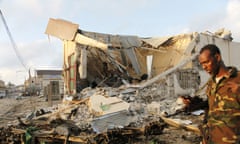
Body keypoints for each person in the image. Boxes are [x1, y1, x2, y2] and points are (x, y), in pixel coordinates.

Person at [198, 44, 240, 144]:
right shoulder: (211, 83)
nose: (204, 67)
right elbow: (210, 109)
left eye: (206, 62)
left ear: (217, 57)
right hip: (212, 139)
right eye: (202, 64)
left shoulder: (238, 79)